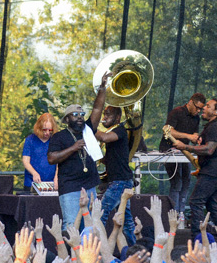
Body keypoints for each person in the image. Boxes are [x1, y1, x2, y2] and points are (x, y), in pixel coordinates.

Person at [48, 74, 109, 231]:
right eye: (75, 115)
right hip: (70, 188)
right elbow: (51, 158)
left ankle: (89, 255)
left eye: (82, 114)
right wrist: (73, 148)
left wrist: (102, 88)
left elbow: (97, 109)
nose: (80, 117)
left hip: (89, 186)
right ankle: (71, 255)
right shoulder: (59, 136)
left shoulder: (87, 130)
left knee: (91, 226)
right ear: (67, 119)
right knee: (71, 227)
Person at [171, 98, 217, 240]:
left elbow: (209, 150)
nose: (204, 108)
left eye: (208, 106)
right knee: (213, 206)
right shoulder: (214, 126)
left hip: (213, 172)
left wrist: (185, 146)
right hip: (215, 171)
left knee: (196, 201)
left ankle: (197, 238)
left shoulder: (215, 126)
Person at [95, 105, 139, 247]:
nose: (104, 117)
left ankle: (98, 248)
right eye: (104, 114)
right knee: (126, 221)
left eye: (108, 114)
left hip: (120, 182)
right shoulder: (115, 131)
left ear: (118, 117)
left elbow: (104, 137)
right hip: (120, 181)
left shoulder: (120, 130)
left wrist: (89, 127)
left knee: (101, 214)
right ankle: (136, 250)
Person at [158, 93, 205, 213]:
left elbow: (194, 134)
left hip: (185, 151)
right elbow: (169, 131)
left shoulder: (196, 118)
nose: (198, 111)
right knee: (176, 182)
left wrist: (197, 138)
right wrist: (188, 136)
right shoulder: (176, 112)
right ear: (190, 102)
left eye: (201, 109)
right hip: (170, 150)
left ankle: (181, 213)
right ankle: (174, 213)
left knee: (186, 180)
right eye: (197, 107)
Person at [22, 113, 58, 191]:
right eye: (44, 130)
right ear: (39, 127)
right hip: (31, 183)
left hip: (51, 183)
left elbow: (59, 162)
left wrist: (56, 177)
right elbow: (25, 161)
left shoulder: (55, 140)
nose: (47, 133)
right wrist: (34, 173)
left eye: (50, 130)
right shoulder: (30, 140)